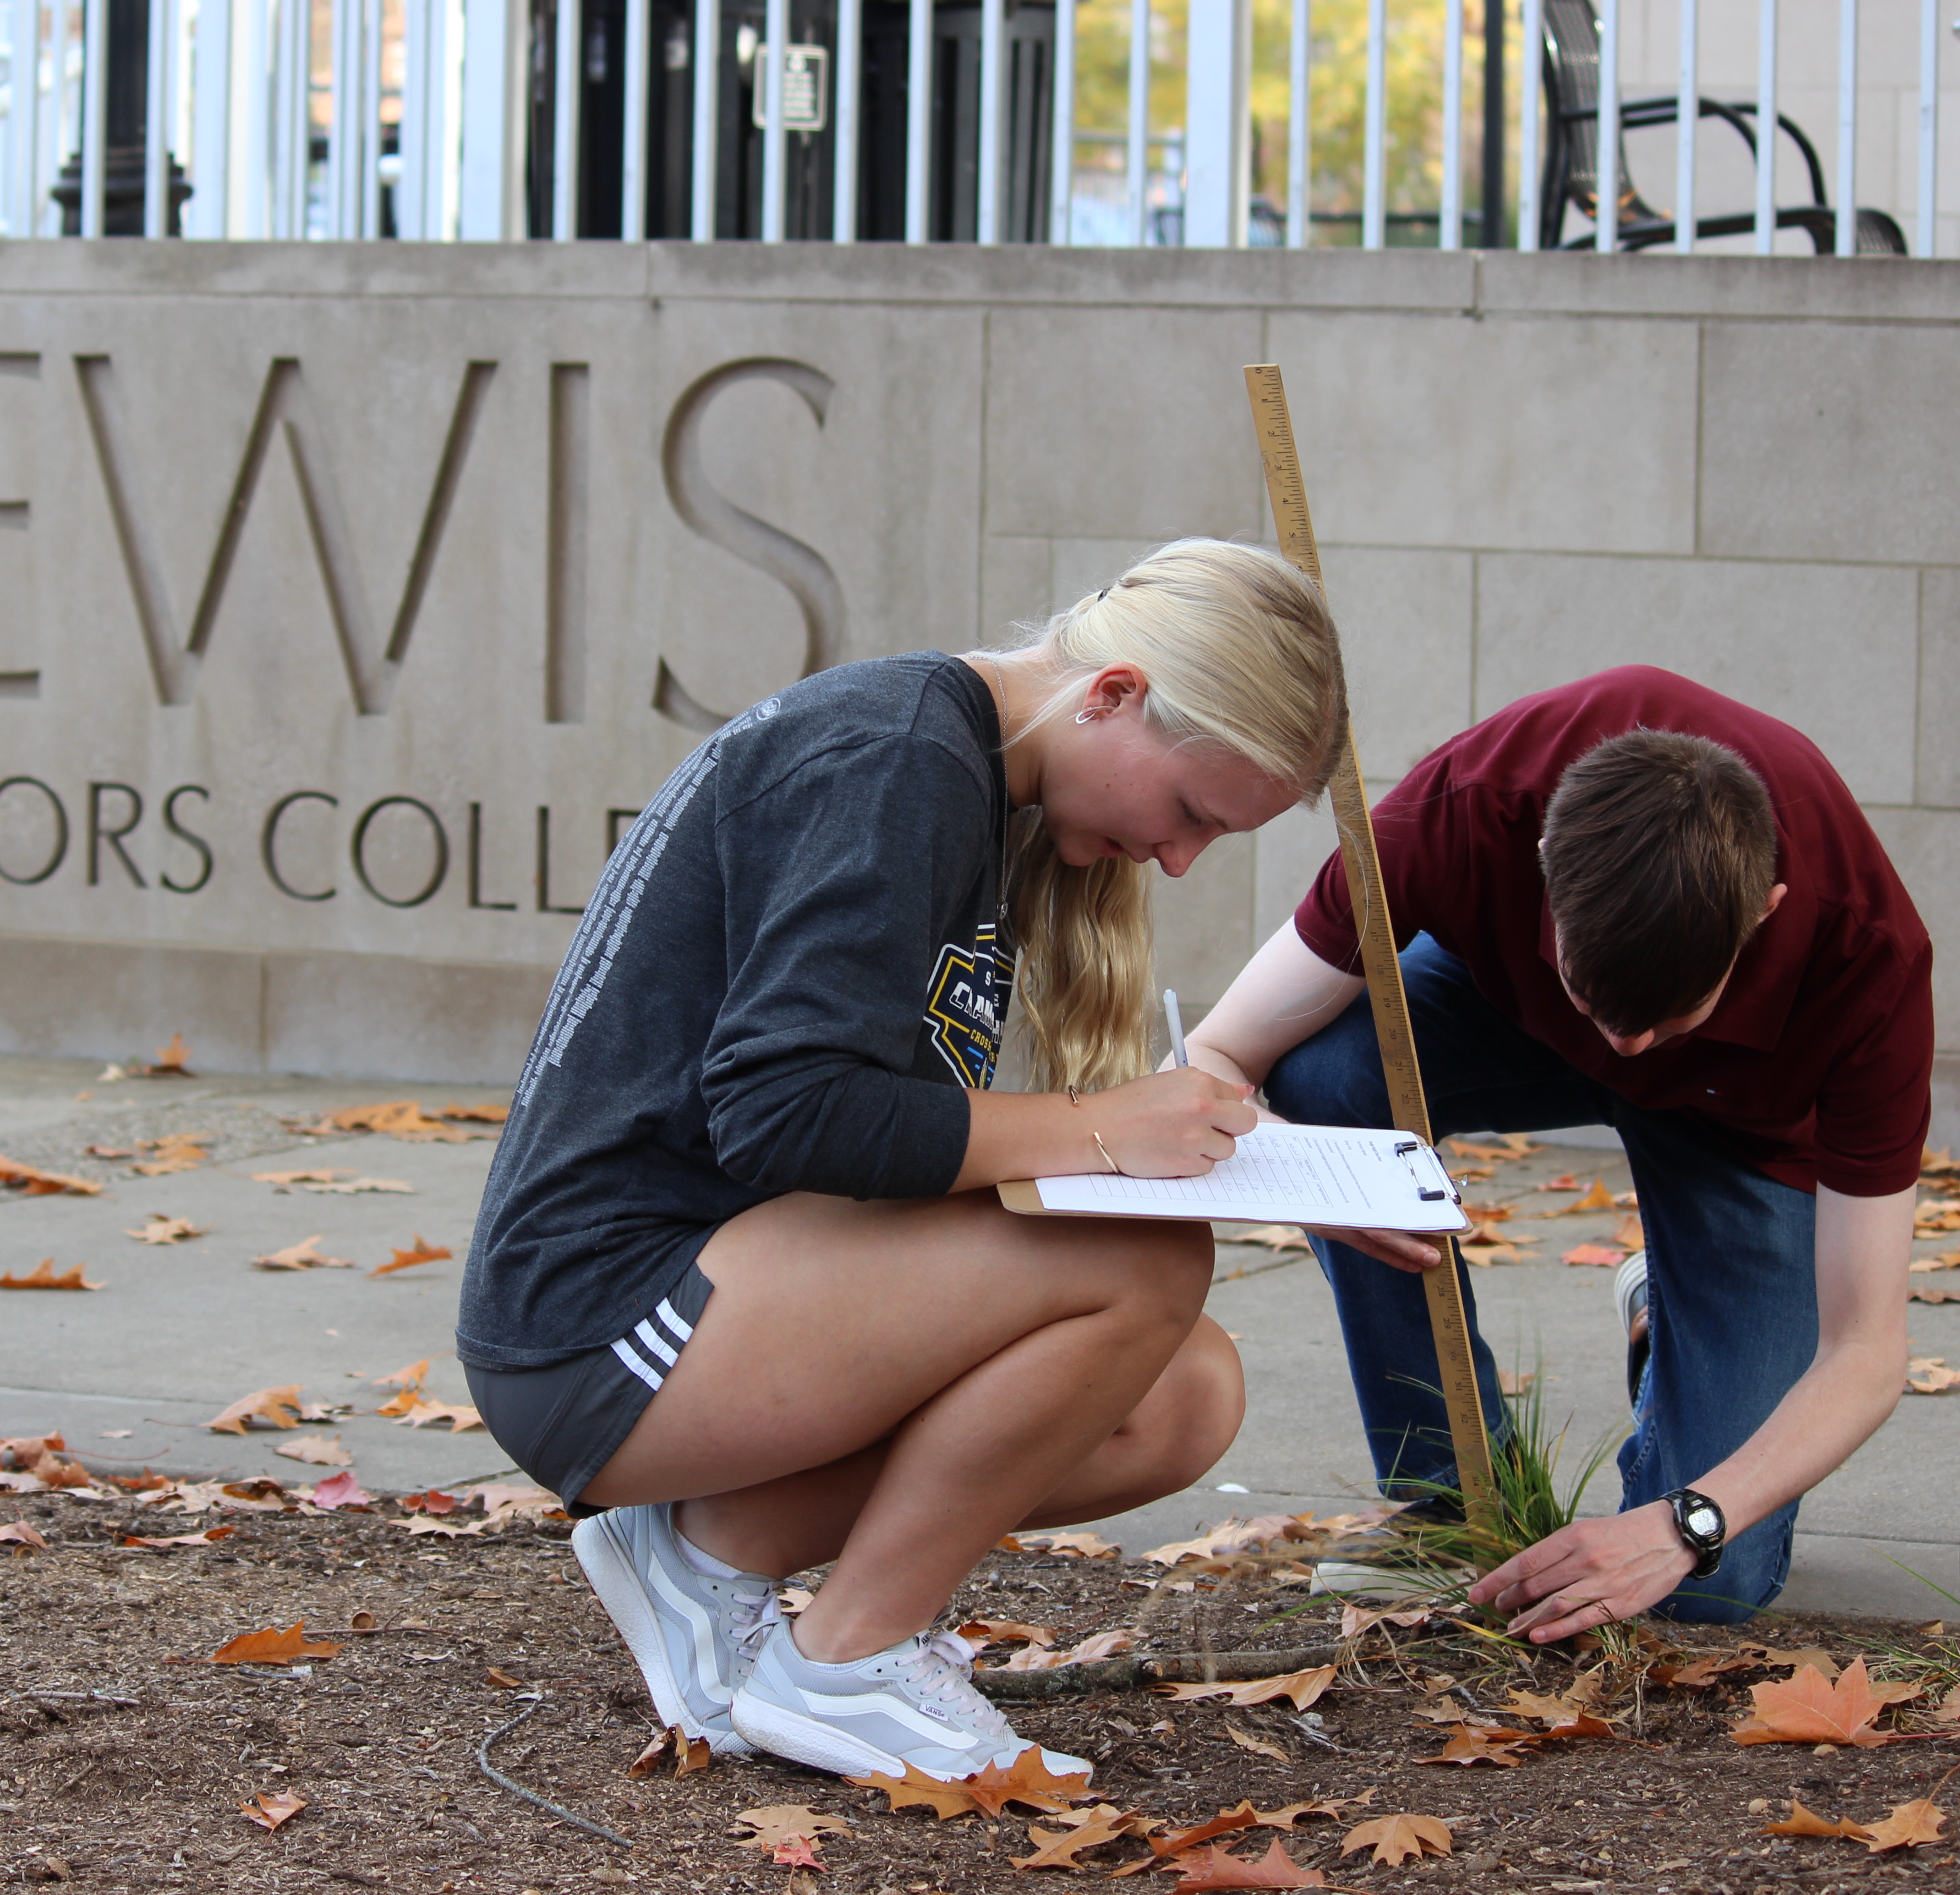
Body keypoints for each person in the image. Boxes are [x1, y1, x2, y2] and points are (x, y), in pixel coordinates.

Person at [457, 540, 1349, 1781]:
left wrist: (1164, 1137)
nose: (1182, 857)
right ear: (1114, 694)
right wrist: (1102, 1126)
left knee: (1175, 1396)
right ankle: (843, 1666)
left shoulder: (958, 771)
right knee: (1144, 1267)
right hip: (599, 1322)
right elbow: (785, 1110)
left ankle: (707, 1560)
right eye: (1192, 812)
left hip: (717, 1283)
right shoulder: (899, 762)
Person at [1185, 665, 1931, 1646]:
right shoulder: (1461, 808)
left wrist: (1684, 1524)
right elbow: (1215, 1056)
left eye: (1672, 1020)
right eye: (1592, 1000)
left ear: (1765, 910)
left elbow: (1867, 1352)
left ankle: (1668, 1316)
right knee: (1328, 1072)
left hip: (1740, 1124)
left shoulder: (1866, 954)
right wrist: (1319, 1177)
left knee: (1708, 1584)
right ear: (1541, 863)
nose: (1625, 1049)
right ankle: (1454, 1498)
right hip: (1500, 1021)